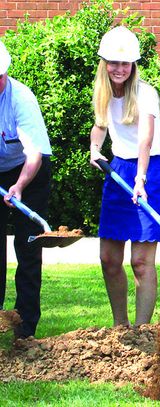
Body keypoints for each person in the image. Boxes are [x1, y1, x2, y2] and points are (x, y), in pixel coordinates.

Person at [89, 26, 160, 327]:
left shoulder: (145, 93)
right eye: (114, 62)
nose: (119, 68)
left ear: (133, 65)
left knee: (140, 262)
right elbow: (100, 125)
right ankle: (121, 328)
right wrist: (95, 149)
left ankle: (142, 330)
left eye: (125, 63)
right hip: (118, 172)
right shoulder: (105, 92)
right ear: (105, 63)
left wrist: (141, 179)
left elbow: (145, 139)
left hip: (147, 172)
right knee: (109, 259)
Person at [0, 39, 52, 338]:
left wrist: (18, 186)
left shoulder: (21, 99)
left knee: (27, 246)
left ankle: (25, 327)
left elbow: (34, 154)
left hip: (29, 173)